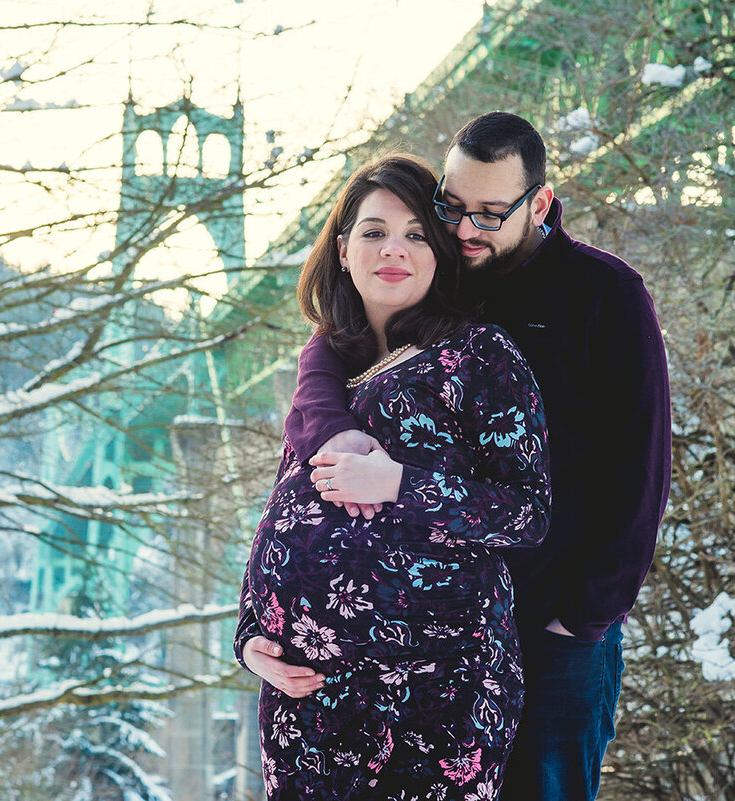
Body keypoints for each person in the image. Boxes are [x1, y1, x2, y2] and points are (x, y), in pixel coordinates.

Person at [249, 112, 673, 800]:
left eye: (489, 213)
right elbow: (334, 345)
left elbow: (641, 468)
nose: (463, 229)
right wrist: (331, 428)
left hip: (548, 629)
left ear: (539, 204)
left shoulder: (604, 294)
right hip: (406, 658)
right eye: (451, 206)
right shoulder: (447, 275)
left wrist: (583, 618)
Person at [234, 153, 551, 800]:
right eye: (374, 232)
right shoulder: (325, 371)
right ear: (344, 249)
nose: (394, 250)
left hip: (436, 691)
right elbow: (285, 509)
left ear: (440, 254)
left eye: (415, 234)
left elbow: (526, 512)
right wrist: (250, 635)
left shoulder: (479, 357)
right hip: (312, 696)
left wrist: (398, 483)